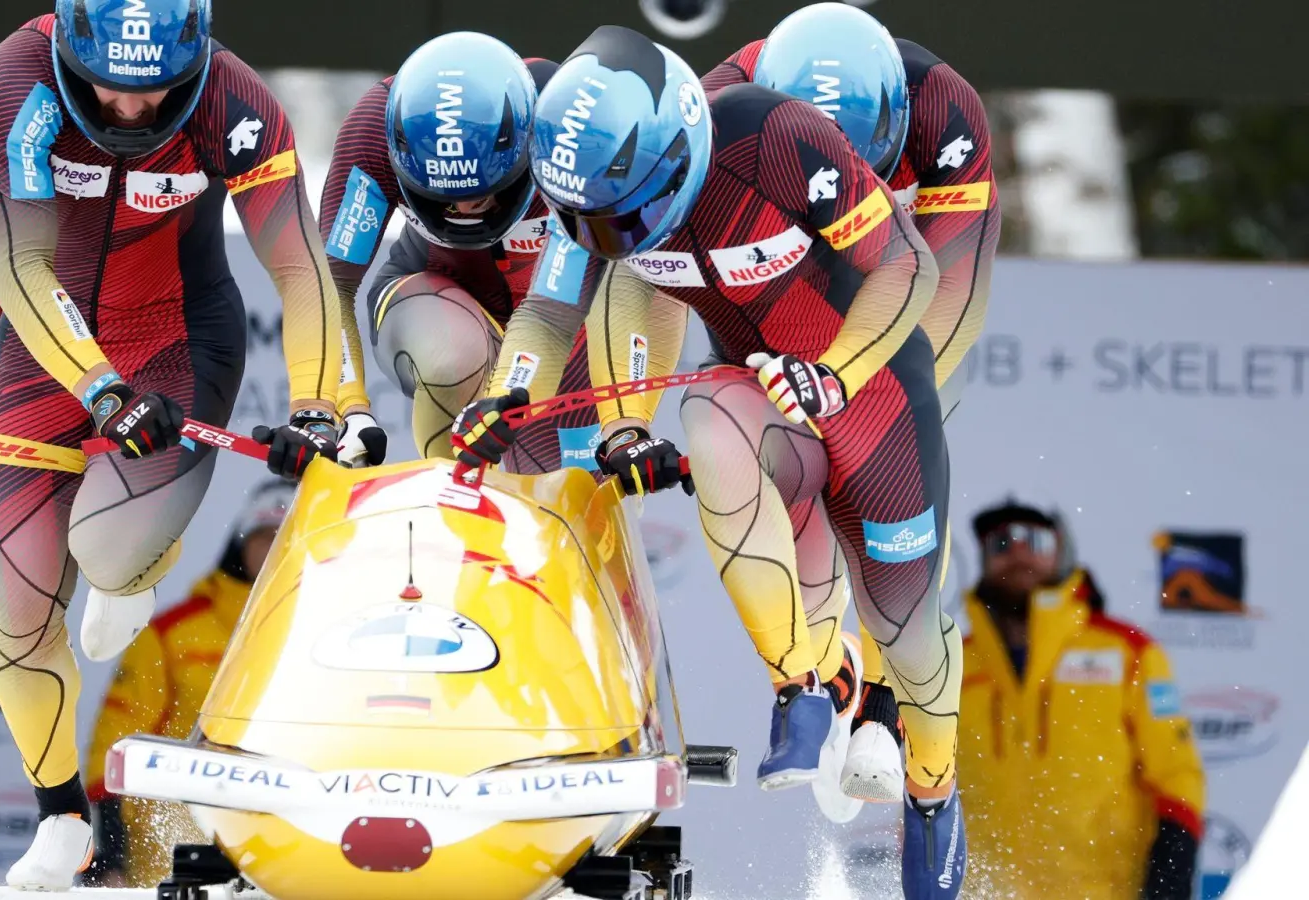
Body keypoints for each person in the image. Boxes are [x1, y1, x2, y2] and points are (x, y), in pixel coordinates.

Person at [450, 24, 965, 897]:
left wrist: (835, 373)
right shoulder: (593, 197)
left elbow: (906, 267)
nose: (609, 235)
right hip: (761, 392)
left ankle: (933, 791)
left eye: (629, 214)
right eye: (590, 221)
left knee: (910, 641)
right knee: (710, 417)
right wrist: (509, 391)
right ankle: (805, 680)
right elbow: (547, 315)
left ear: (678, 144)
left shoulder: (774, 138)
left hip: (868, 390)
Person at [0, 1, 343, 888]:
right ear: (69, 48)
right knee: (19, 604)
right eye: (110, 88)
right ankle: (62, 817)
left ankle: (132, 569)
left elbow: (301, 269)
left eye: (157, 91)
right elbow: (20, 266)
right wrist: (99, 389)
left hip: (178, 341)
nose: (132, 111)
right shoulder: (14, 84)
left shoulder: (233, 101)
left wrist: (321, 404)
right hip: (47, 349)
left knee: (105, 543)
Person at [696, 0, 1003, 809]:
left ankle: (888, 694)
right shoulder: (728, 100)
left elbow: (950, 293)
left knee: (894, 446)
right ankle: (823, 661)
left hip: (896, 300)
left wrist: (866, 391)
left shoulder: (944, 113)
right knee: (757, 453)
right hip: (771, 314)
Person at [319, 30, 686, 478]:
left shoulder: (571, 128)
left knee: (572, 477)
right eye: (445, 200)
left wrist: (625, 427)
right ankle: (447, 490)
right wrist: (347, 408)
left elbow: (609, 287)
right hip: (437, 290)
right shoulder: (371, 134)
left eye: (489, 192)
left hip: (566, 307)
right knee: (452, 356)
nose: (470, 210)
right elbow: (327, 288)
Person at [960, 501, 1205, 899]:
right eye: (1001, 542)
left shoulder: (1129, 653)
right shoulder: (949, 665)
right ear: (984, 560)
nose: (1017, 552)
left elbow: (1177, 775)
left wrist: (1168, 881)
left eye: (1033, 540)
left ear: (1061, 551)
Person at [81, 479, 294, 888]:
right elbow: (116, 738)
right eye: (264, 537)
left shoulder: (324, 631)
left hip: (286, 847)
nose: (273, 552)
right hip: (172, 853)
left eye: (286, 540)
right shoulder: (172, 633)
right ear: (240, 544)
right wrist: (109, 852)